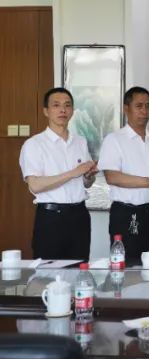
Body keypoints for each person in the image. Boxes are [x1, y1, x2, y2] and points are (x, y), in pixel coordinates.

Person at [19, 87, 96, 259]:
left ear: (72, 110)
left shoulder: (80, 142)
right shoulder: (34, 144)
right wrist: (72, 173)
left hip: (79, 215)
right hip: (51, 218)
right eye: (56, 105)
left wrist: (88, 176)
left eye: (67, 105)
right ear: (46, 111)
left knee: (79, 269)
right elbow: (35, 185)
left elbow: (86, 183)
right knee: (48, 272)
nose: (63, 110)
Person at [99, 86, 149, 259]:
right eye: (139, 106)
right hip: (127, 214)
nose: (144, 111)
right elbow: (112, 177)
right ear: (126, 109)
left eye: (148, 106)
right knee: (128, 266)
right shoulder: (114, 140)